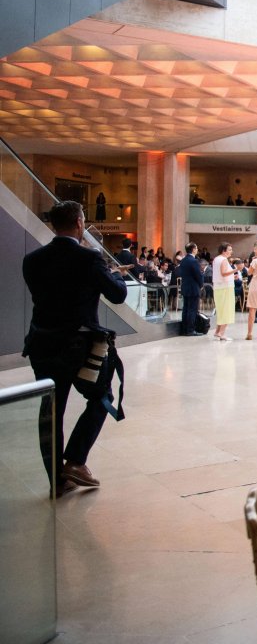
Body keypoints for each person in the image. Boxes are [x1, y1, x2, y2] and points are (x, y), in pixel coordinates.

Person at [23, 201, 128, 497]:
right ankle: (76, 461)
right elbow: (118, 294)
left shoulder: (32, 260)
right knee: (102, 397)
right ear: (80, 223)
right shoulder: (89, 258)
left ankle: (57, 482)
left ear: (53, 225)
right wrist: (114, 273)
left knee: (51, 412)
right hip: (79, 347)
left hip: (42, 345)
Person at [211, 243, 236, 342]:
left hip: (218, 287)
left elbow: (220, 274)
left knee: (221, 310)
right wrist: (236, 270)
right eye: (229, 250)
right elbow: (224, 273)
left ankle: (218, 331)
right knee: (227, 310)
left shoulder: (216, 259)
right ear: (223, 250)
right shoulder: (224, 260)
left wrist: (232, 276)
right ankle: (221, 333)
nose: (231, 251)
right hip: (226, 288)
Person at [178, 243, 204, 336]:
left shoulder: (183, 260)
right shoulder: (193, 261)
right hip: (193, 288)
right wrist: (201, 284)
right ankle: (190, 330)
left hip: (185, 287)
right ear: (193, 249)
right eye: (196, 248)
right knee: (192, 309)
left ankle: (184, 329)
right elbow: (198, 275)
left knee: (186, 309)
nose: (197, 250)